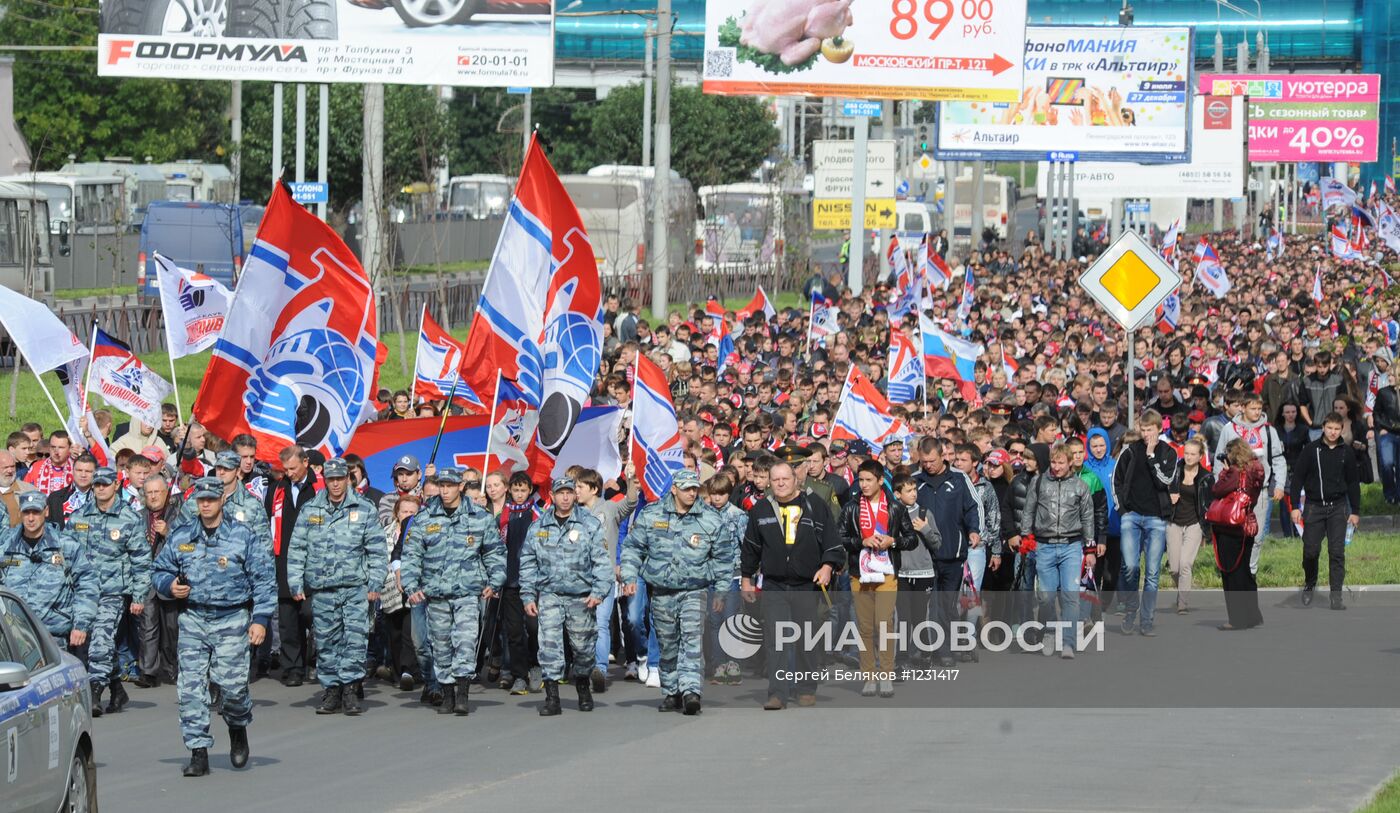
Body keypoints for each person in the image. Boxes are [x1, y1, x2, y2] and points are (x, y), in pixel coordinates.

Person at [152, 476, 276, 778]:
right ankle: (198, 752)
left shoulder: (242, 536)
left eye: (211, 499)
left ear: (222, 500)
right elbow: (159, 570)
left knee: (232, 689)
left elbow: (264, 579)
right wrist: (170, 586)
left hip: (232, 618)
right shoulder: (183, 535)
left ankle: (237, 727)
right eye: (201, 500)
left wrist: (260, 620)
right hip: (194, 618)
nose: (205, 504)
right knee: (191, 690)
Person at [620, 469, 728, 715]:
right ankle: (671, 691)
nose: (692, 493)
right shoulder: (652, 514)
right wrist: (628, 576)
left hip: (694, 590)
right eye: (687, 488)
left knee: (691, 641)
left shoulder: (709, 518)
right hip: (662, 591)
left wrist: (721, 591)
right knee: (668, 644)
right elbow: (633, 547)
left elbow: (723, 557)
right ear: (674, 489)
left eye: (694, 488)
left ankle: (691, 691)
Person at [286, 458, 388, 715]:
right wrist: (295, 581)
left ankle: (351, 690)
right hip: (322, 588)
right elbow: (297, 548)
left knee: (354, 641)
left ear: (347, 479)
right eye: (330, 479)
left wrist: (375, 582)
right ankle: (332, 690)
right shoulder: (311, 509)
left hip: (355, 587)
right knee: (327, 641)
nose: (335, 484)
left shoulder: (364, 508)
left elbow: (377, 550)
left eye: (339, 479)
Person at [401, 467, 505, 717]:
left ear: (460, 486)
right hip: (436, 594)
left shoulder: (479, 517)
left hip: (468, 592)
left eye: (450, 485)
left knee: (466, 642)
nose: (445, 490)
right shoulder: (425, 518)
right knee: (441, 645)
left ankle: (463, 693)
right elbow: (412, 555)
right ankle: (446, 692)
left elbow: (494, 552)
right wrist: (411, 585)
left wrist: (496, 580)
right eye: (441, 485)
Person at [740, 461, 844, 710]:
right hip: (774, 584)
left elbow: (831, 541)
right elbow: (751, 547)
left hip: (806, 584)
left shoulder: (814, 505)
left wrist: (827, 566)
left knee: (805, 637)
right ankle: (777, 693)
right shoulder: (761, 510)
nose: (781, 483)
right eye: (775, 480)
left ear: (796, 479)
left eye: (785, 479)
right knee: (776, 639)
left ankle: (806, 688)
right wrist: (746, 579)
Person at [520, 477, 612, 716]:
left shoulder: (589, 524)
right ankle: (552, 698)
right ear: (551, 495)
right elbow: (528, 563)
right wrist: (528, 596)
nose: (565, 497)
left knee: (583, 647)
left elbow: (601, 561)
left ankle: (583, 686)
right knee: (549, 646)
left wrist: (598, 592)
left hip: (581, 596)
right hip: (549, 595)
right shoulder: (538, 527)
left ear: (575, 495)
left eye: (569, 492)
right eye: (560, 493)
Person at [66, 465, 149, 716]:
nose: (101, 488)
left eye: (105, 484)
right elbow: (68, 554)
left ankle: (94, 691)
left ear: (116, 486)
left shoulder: (129, 519)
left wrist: (139, 595)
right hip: (83, 594)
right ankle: (116, 686)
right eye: (97, 484)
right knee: (90, 643)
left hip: (112, 592)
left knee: (101, 641)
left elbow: (141, 560)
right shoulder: (79, 517)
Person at [837, 460, 915, 697]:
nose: (864, 485)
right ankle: (869, 675)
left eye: (869, 480)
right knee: (865, 626)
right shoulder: (851, 507)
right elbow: (840, 537)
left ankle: (886, 674)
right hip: (859, 574)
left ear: (881, 481)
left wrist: (894, 541)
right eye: (861, 480)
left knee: (884, 623)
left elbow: (911, 538)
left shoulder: (895, 507)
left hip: (887, 573)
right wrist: (862, 541)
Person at [1020, 443, 1096, 657]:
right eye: (1053, 462)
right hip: (1044, 546)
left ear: (1070, 462)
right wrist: (1026, 538)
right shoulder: (1039, 482)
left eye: (1061, 462)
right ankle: (1051, 630)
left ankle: (1069, 643)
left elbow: (1088, 518)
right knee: (1045, 596)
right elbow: (1029, 510)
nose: (1056, 466)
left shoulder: (1080, 486)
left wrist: (1090, 550)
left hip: (1071, 546)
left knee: (1070, 596)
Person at [913, 436, 981, 667]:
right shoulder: (916, 481)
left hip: (953, 553)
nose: (928, 465)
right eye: (924, 461)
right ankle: (931, 650)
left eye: (932, 460)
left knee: (947, 604)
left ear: (943, 455)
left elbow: (973, 506)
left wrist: (974, 530)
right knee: (928, 605)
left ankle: (949, 647)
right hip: (924, 555)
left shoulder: (959, 479)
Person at [0, 490, 98, 650]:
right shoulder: (5, 547)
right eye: (26, 512)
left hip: (54, 636)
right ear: (20, 513)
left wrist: (81, 624)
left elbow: (87, 585)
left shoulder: (66, 546)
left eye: (36, 512)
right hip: (13, 636)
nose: (31, 518)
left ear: (46, 511)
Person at [1112, 409, 1177, 637]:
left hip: (1156, 518)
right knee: (1130, 567)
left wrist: (1151, 457)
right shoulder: (1130, 451)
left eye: (1151, 429)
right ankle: (1131, 610)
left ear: (1160, 429)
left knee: (1152, 573)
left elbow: (1166, 482)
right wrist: (1122, 509)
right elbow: (1116, 480)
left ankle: (1146, 620)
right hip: (1131, 515)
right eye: (1143, 429)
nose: (1146, 433)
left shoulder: (1169, 452)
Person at [1288, 412, 1361, 610]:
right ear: (1323, 428)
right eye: (1330, 428)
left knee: (1336, 552)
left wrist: (1355, 510)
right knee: (1311, 551)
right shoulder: (1311, 450)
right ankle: (1310, 583)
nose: (1332, 432)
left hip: (1338, 507)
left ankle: (1336, 596)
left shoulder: (1346, 452)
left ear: (1342, 430)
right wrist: (1295, 506)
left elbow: (1353, 483)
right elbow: (1297, 479)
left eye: (1337, 429)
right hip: (1313, 507)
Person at [576, 464, 638, 692]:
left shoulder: (610, 509)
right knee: (582, 627)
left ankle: (599, 670)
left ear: (594, 489)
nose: (576, 491)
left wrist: (630, 479)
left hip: (603, 578)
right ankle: (583, 666)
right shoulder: (574, 512)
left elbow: (631, 502)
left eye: (580, 486)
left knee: (601, 624)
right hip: (579, 579)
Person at [263, 445, 319, 687]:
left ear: (305, 462)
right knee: (287, 618)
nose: (290, 473)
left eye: (293, 468)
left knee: (310, 613)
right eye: (285, 469)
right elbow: (268, 522)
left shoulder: (320, 488)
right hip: (284, 560)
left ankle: (315, 661)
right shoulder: (277, 489)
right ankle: (293, 667)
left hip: (314, 562)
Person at [1214, 393, 1288, 572]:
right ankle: (1234, 567)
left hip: (1260, 491)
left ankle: (1251, 570)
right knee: (1235, 531)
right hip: (1234, 491)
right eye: (1252, 408)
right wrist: (1219, 485)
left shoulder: (1269, 430)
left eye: (1259, 409)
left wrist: (1279, 485)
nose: (1256, 412)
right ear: (1243, 408)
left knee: (1257, 533)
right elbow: (1219, 459)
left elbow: (1278, 459)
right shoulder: (1229, 429)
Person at [1212, 439, 1265, 630]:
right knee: (1245, 571)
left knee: (1231, 572)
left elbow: (1217, 490)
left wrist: (1224, 472)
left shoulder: (1235, 472)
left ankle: (1237, 618)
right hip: (1248, 523)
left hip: (1231, 526)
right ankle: (1252, 615)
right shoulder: (1256, 468)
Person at [1166, 439, 1213, 615]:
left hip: (1194, 523)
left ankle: (1182, 603)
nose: (1189, 457)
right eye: (1186, 453)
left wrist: (1206, 532)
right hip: (1173, 522)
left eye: (1193, 454)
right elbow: (1160, 491)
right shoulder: (1174, 471)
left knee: (1185, 564)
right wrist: (1169, 496)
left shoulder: (1206, 478)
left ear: (1200, 456)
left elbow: (1209, 505)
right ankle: (1181, 592)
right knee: (1174, 568)